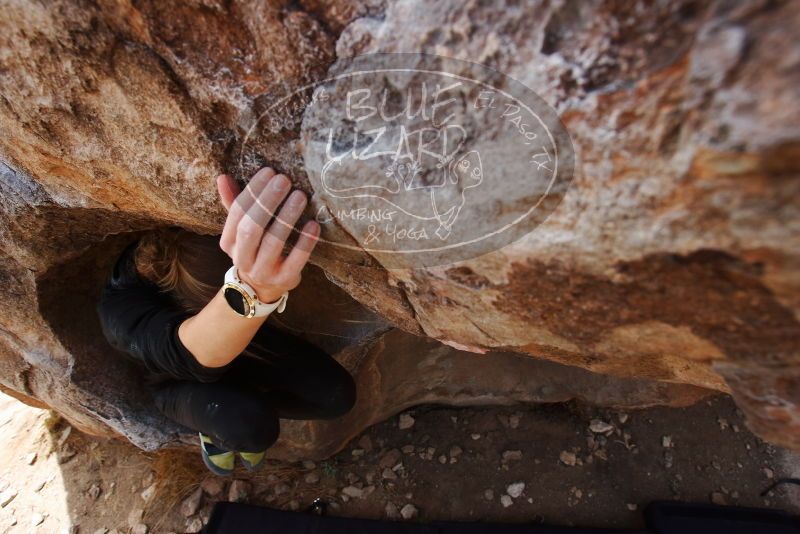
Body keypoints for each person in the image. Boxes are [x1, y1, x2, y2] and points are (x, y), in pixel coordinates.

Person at [97, 168, 356, 475]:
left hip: (247, 345)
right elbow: (183, 353)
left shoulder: (196, 251)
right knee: (251, 427)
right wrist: (250, 290)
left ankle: (244, 399)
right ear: (182, 306)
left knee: (336, 396)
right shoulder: (121, 310)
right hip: (176, 381)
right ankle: (220, 429)